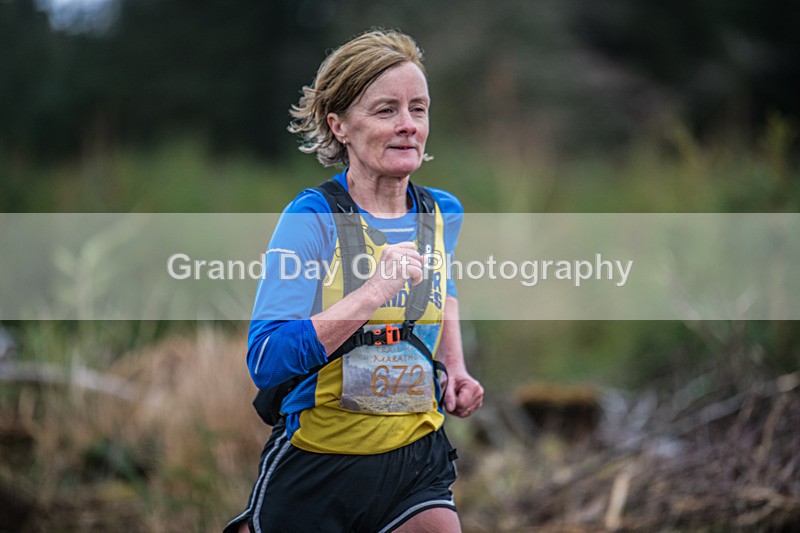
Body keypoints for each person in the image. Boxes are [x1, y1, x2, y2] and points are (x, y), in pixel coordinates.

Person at [225, 29, 483, 533]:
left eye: (419, 108)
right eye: (386, 110)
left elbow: (443, 288)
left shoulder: (440, 213)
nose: (408, 125)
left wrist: (455, 366)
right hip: (318, 466)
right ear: (338, 124)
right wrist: (373, 291)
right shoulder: (311, 218)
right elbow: (266, 358)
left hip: (417, 460)